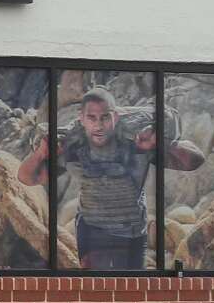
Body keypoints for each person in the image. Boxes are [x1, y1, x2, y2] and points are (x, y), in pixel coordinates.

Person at [18, 86, 203, 271]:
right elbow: (27, 178)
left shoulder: (137, 141)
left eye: (105, 117)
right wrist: (40, 153)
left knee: (130, 286)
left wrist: (162, 143)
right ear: (81, 118)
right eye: (92, 118)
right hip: (92, 229)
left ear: (115, 117)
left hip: (132, 229)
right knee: (97, 284)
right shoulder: (73, 146)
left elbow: (194, 160)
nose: (99, 125)